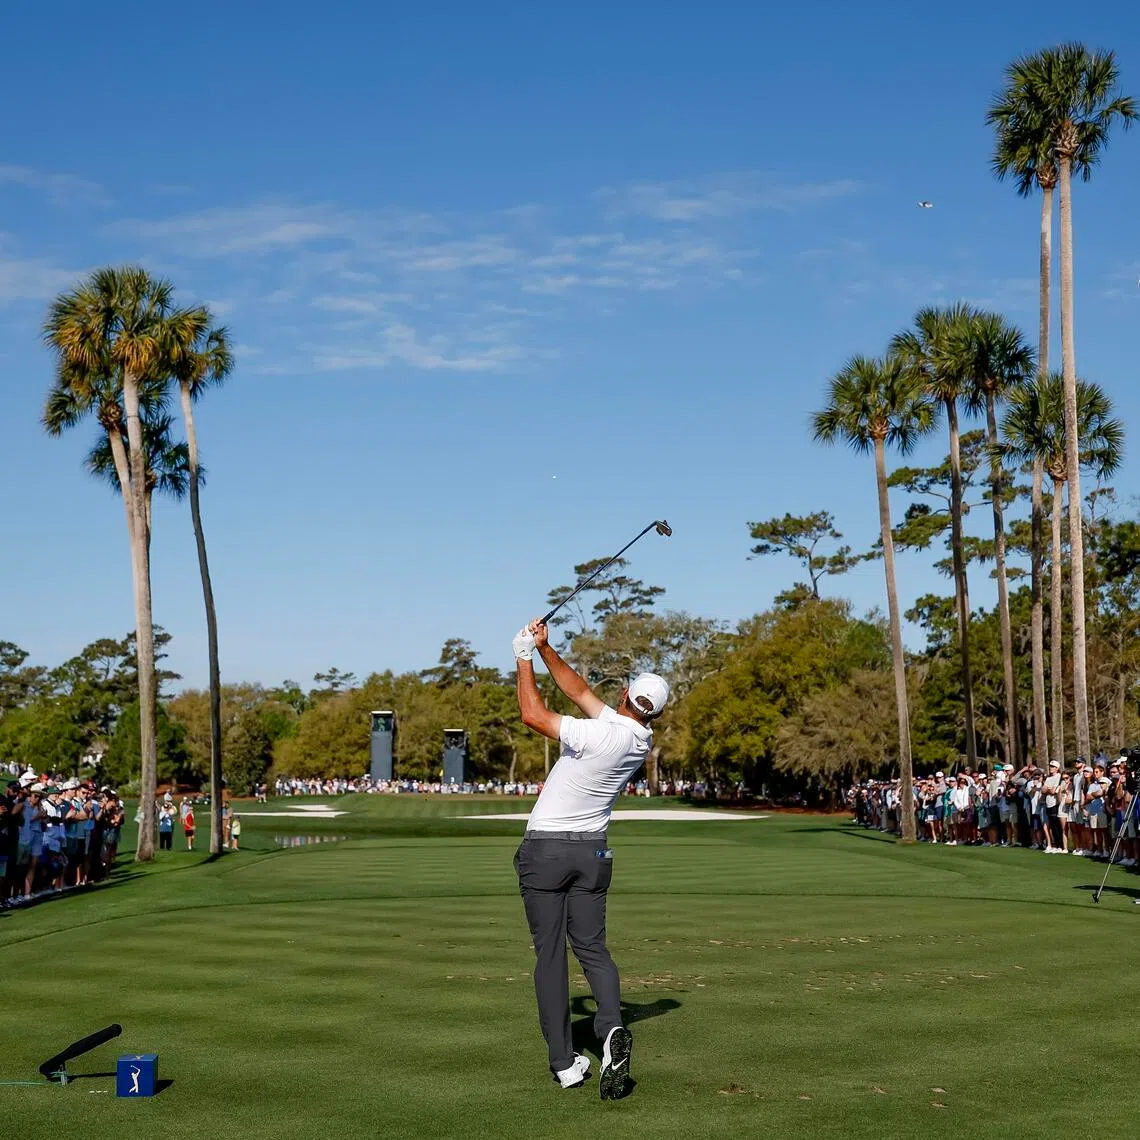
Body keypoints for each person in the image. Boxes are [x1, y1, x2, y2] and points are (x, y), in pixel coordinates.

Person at [511, 618, 668, 1100]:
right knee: (592, 948)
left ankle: (564, 1063)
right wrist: (544, 648)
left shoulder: (600, 735)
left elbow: (533, 715)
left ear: (625, 694)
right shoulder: (636, 740)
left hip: (547, 850)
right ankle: (610, 1029)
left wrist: (520, 657)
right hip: (593, 853)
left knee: (552, 954)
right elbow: (578, 690)